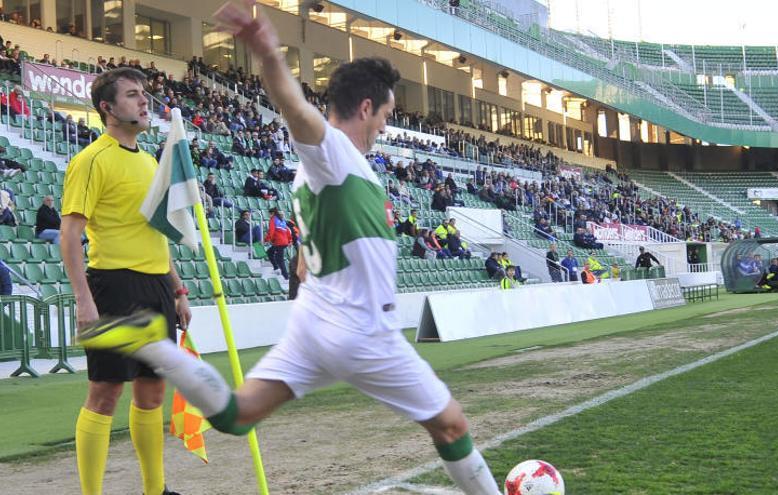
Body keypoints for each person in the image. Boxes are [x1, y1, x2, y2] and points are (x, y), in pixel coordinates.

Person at [77, 4, 502, 493]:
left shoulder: (320, 175)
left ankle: (154, 345)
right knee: (451, 425)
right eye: (385, 115)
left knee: (238, 415)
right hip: (363, 328)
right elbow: (296, 110)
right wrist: (269, 54)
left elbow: (306, 253)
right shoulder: (335, 154)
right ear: (367, 108)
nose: (386, 126)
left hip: (315, 324)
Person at [61, 67, 189, 495]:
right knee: (105, 392)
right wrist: (84, 301)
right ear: (108, 108)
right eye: (133, 95)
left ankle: (155, 490)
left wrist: (177, 288)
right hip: (113, 284)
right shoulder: (90, 160)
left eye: (144, 94)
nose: (144, 101)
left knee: (152, 391)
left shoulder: (151, 160)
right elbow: (70, 235)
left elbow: (157, 231)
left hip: (156, 286)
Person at [264, 208, 292, 279]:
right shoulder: (282, 220)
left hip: (279, 242)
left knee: (279, 259)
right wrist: (289, 241)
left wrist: (266, 239)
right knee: (270, 252)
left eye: (269, 214)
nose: (269, 215)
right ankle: (276, 268)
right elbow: (288, 231)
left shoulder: (273, 219)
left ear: (272, 213)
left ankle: (286, 277)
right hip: (284, 242)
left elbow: (271, 231)